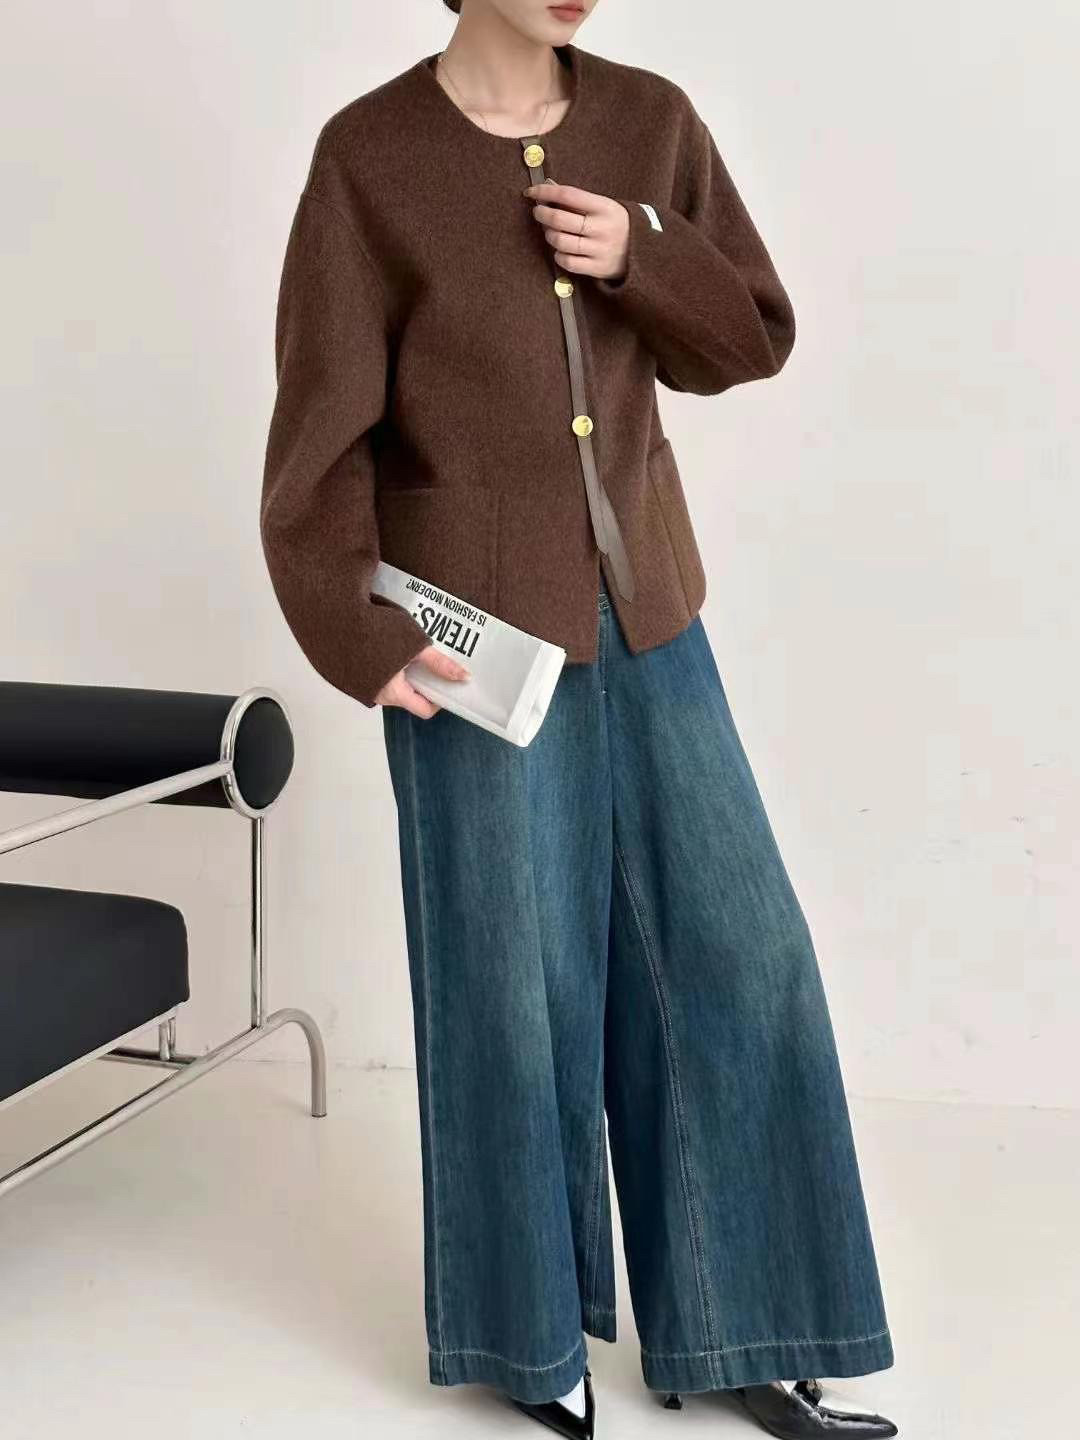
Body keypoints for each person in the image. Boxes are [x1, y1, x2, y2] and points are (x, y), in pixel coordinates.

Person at [260, 2, 900, 1437]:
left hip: (650, 610)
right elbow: (318, 437)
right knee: (508, 982)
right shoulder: (368, 159)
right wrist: (360, 635)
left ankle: (742, 1327)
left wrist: (643, 253)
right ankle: (525, 1335)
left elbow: (749, 339)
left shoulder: (648, 119)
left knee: (740, 954)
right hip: (468, 645)